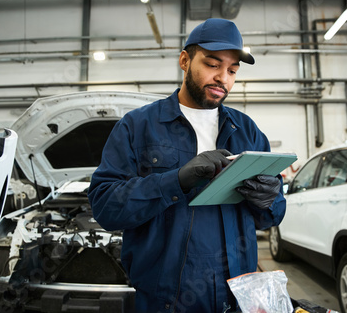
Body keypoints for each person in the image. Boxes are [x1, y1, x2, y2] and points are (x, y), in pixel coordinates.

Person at [88, 18, 286, 313]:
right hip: (164, 298)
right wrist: (176, 180)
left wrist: (268, 200)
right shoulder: (138, 126)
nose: (223, 78)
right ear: (185, 60)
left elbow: (274, 215)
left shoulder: (248, 131)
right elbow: (105, 207)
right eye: (212, 64)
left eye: (232, 71)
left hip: (235, 295)